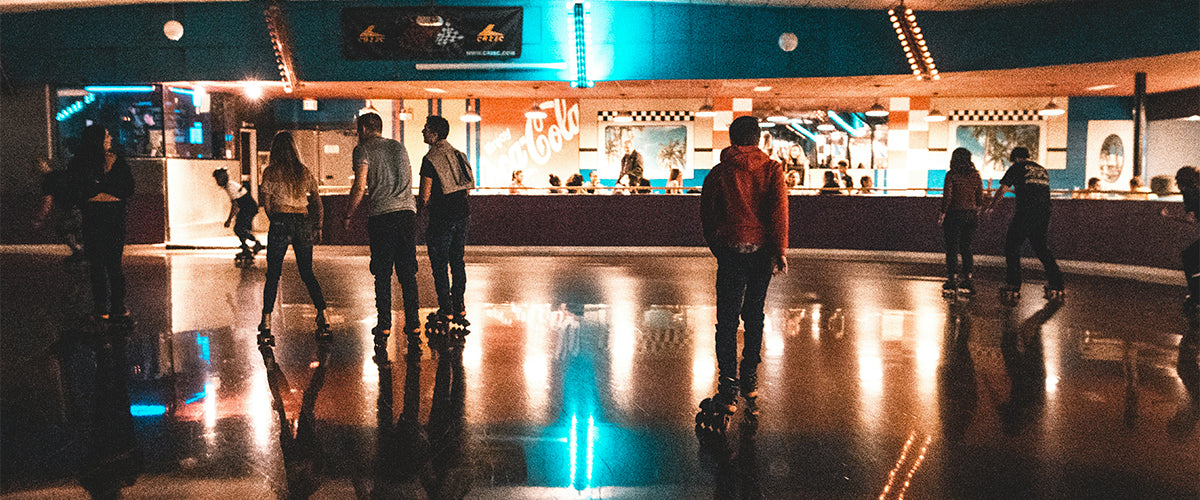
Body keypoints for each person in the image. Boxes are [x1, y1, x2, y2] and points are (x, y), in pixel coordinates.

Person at [698, 115, 788, 426]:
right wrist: (779, 250)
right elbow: (778, 210)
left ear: (732, 139)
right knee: (754, 314)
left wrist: (719, 246)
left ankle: (728, 387)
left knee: (726, 319)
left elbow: (707, 214)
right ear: (759, 139)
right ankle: (749, 378)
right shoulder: (773, 169)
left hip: (731, 251)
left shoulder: (719, 172)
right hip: (762, 252)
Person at [343, 112, 420, 341]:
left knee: (383, 272)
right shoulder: (399, 147)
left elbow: (359, 185)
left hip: (382, 216)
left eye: (358, 129)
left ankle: (385, 325)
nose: (358, 134)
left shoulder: (363, 150)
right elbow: (408, 178)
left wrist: (348, 214)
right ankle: (414, 325)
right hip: (407, 214)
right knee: (408, 273)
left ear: (365, 129)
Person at [258, 131, 329, 343]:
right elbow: (317, 202)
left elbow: (268, 205)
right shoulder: (304, 171)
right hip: (303, 220)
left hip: (280, 220)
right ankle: (324, 317)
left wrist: (278, 221)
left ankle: (267, 322)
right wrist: (318, 226)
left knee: (273, 274)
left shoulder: (270, 172)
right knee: (307, 272)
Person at [68, 125, 134, 321]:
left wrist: (96, 190)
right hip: (112, 215)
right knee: (112, 263)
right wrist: (109, 190)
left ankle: (102, 308)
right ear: (98, 139)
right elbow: (126, 189)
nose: (110, 137)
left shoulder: (78, 163)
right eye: (106, 135)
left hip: (94, 215)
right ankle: (118, 307)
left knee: (99, 263)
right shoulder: (117, 163)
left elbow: (79, 190)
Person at [984, 146, 1064, 300]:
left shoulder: (1017, 167)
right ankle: (1056, 283)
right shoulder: (1041, 170)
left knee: (1011, 246)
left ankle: (1013, 284)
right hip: (1044, 213)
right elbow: (1030, 189)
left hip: (1026, 212)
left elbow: (1002, 189)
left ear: (1015, 158)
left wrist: (991, 207)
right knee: (1041, 248)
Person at [418, 115, 474, 324]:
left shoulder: (430, 159)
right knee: (457, 261)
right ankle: (459, 306)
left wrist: (418, 213)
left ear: (434, 134)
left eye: (426, 129)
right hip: (462, 213)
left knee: (440, 264)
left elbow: (424, 194)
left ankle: (446, 309)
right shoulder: (459, 154)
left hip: (442, 217)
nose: (423, 132)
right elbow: (467, 188)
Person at [938, 148, 984, 295]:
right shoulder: (975, 175)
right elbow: (980, 198)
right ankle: (968, 279)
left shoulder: (951, 175)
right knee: (966, 248)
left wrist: (943, 213)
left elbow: (948, 196)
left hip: (954, 215)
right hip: (971, 216)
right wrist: (974, 209)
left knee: (952, 248)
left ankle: (952, 279)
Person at [1161, 166, 1199, 310]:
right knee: (1192, 259)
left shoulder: (1189, 193)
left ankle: (1195, 297)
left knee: (1189, 258)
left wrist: (1168, 216)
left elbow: (1190, 219)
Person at [34, 156, 84, 259]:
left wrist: (40, 219)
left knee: (62, 229)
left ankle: (79, 251)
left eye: (38, 165)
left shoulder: (47, 181)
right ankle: (82, 251)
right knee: (78, 230)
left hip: (69, 208)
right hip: (80, 206)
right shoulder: (62, 174)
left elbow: (47, 202)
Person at [212, 168, 264, 255]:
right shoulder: (230, 185)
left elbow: (235, 206)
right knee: (240, 228)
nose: (217, 182)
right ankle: (246, 246)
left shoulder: (230, 187)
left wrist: (229, 220)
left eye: (218, 179)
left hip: (248, 208)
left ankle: (255, 243)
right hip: (247, 207)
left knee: (239, 229)